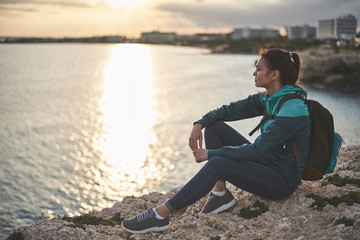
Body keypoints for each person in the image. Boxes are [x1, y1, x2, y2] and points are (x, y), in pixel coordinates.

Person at [121, 48, 311, 234]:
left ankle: (159, 215)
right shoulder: (270, 98)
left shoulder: (292, 108)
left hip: (281, 181)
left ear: (274, 75)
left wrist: (210, 154)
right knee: (215, 127)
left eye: (259, 69)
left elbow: (256, 150)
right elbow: (229, 110)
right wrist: (200, 124)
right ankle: (220, 195)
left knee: (218, 163)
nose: (254, 73)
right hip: (269, 163)